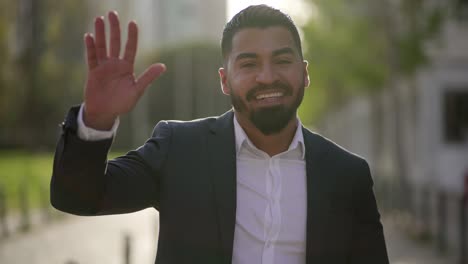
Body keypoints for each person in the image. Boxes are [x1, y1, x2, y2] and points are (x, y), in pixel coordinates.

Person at [50, 5, 389, 264]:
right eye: (249, 64)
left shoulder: (348, 176)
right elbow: (77, 198)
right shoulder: (179, 150)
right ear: (225, 80)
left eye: (282, 60)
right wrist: (95, 120)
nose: (267, 77)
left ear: (304, 74)